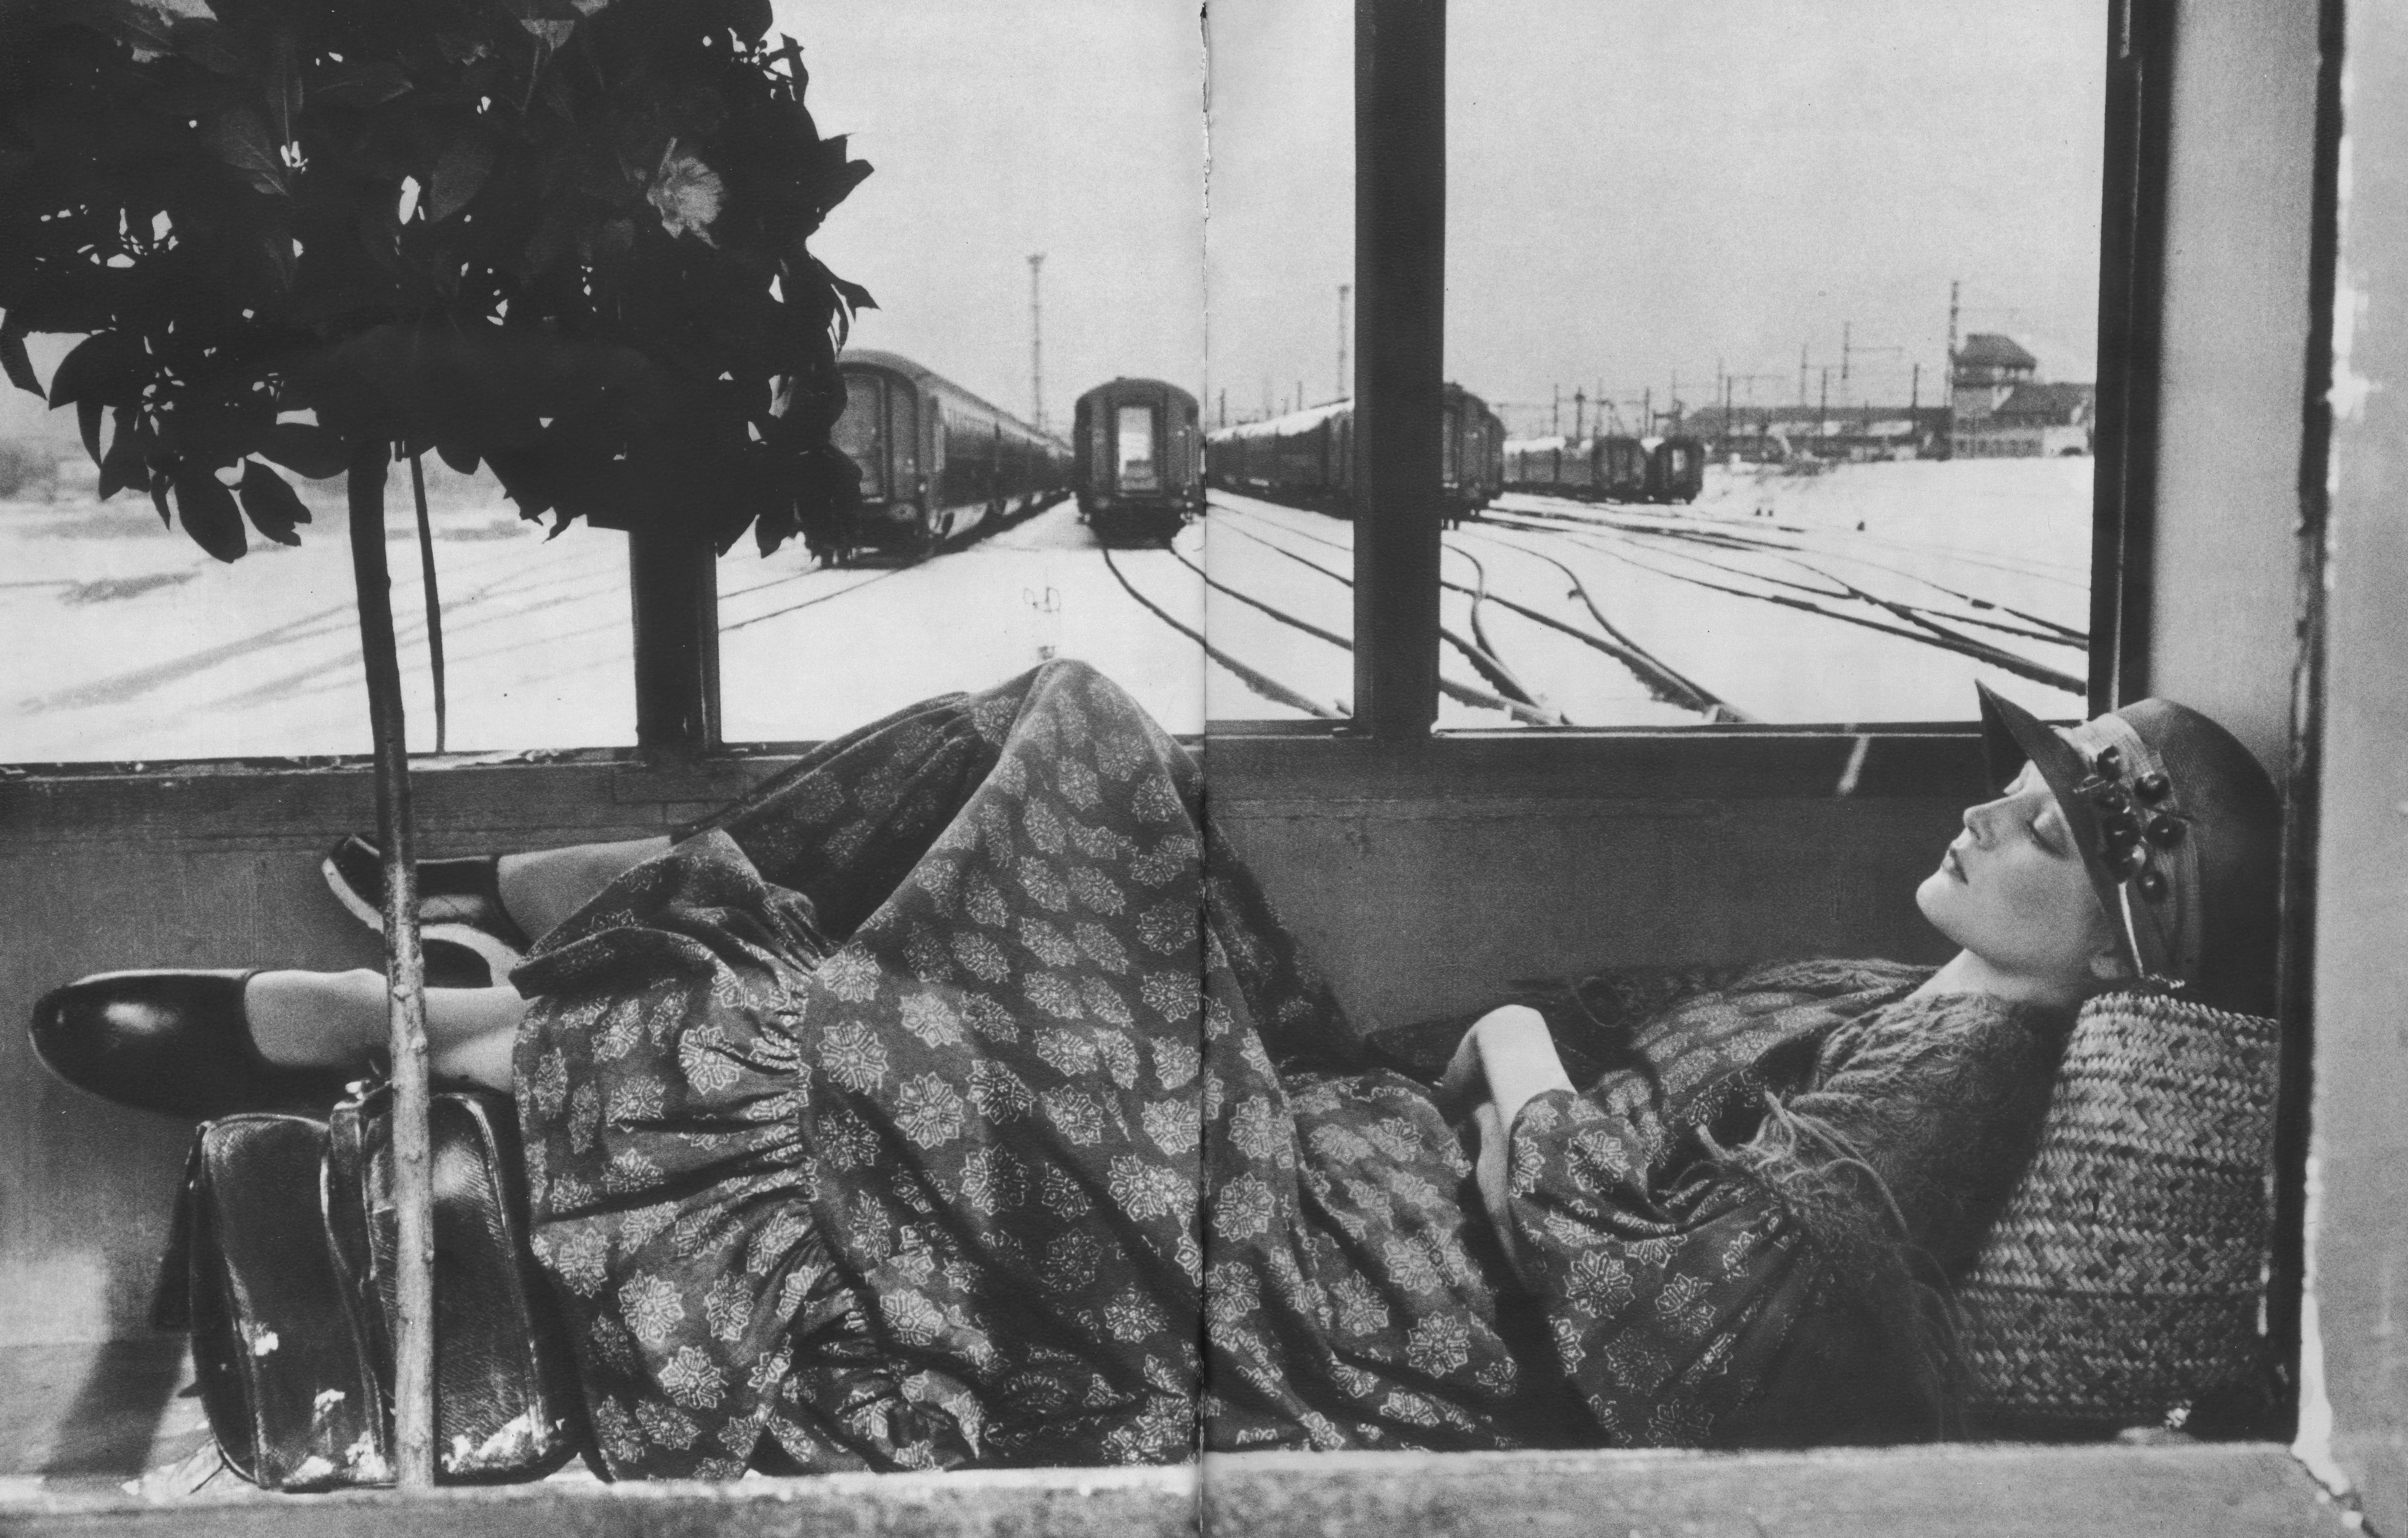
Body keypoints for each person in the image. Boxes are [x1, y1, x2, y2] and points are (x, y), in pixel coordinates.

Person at [29, 663, 2283, 1477]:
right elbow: (1607, 1090)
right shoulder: (1901, 1003)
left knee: (917, 1045)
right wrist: (1427, 1064)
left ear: (2123, 932)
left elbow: (1662, 1340)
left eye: (2047, 822)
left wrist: (1509, 1068)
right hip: (1360, 1152)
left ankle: (438, 1015)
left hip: (1366, 1286)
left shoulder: (1947, 1093)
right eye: (2018, 782)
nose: (1987, 810)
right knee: (1077, 737)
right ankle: (514, 934)